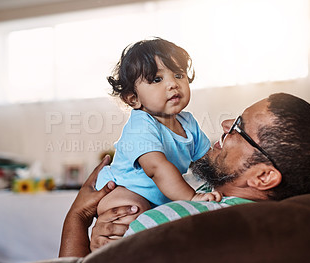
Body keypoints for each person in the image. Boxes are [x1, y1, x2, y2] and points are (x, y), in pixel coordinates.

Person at [59, 92, 310, 256]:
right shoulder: (254, 219)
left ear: (263, 177)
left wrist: (76, 218)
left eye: (239, 128)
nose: (225, 123)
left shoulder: (167, 226)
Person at [95, 37, 221, 219]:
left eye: (179, 75)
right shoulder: (141, 125)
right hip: (124, 189)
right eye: (157, 79)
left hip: (162, 195)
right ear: (133, 99)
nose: (173, 84)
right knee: (131, 210)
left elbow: (207, 161)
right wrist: (192, 197)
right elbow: (156, 167)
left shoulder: (188, 122)